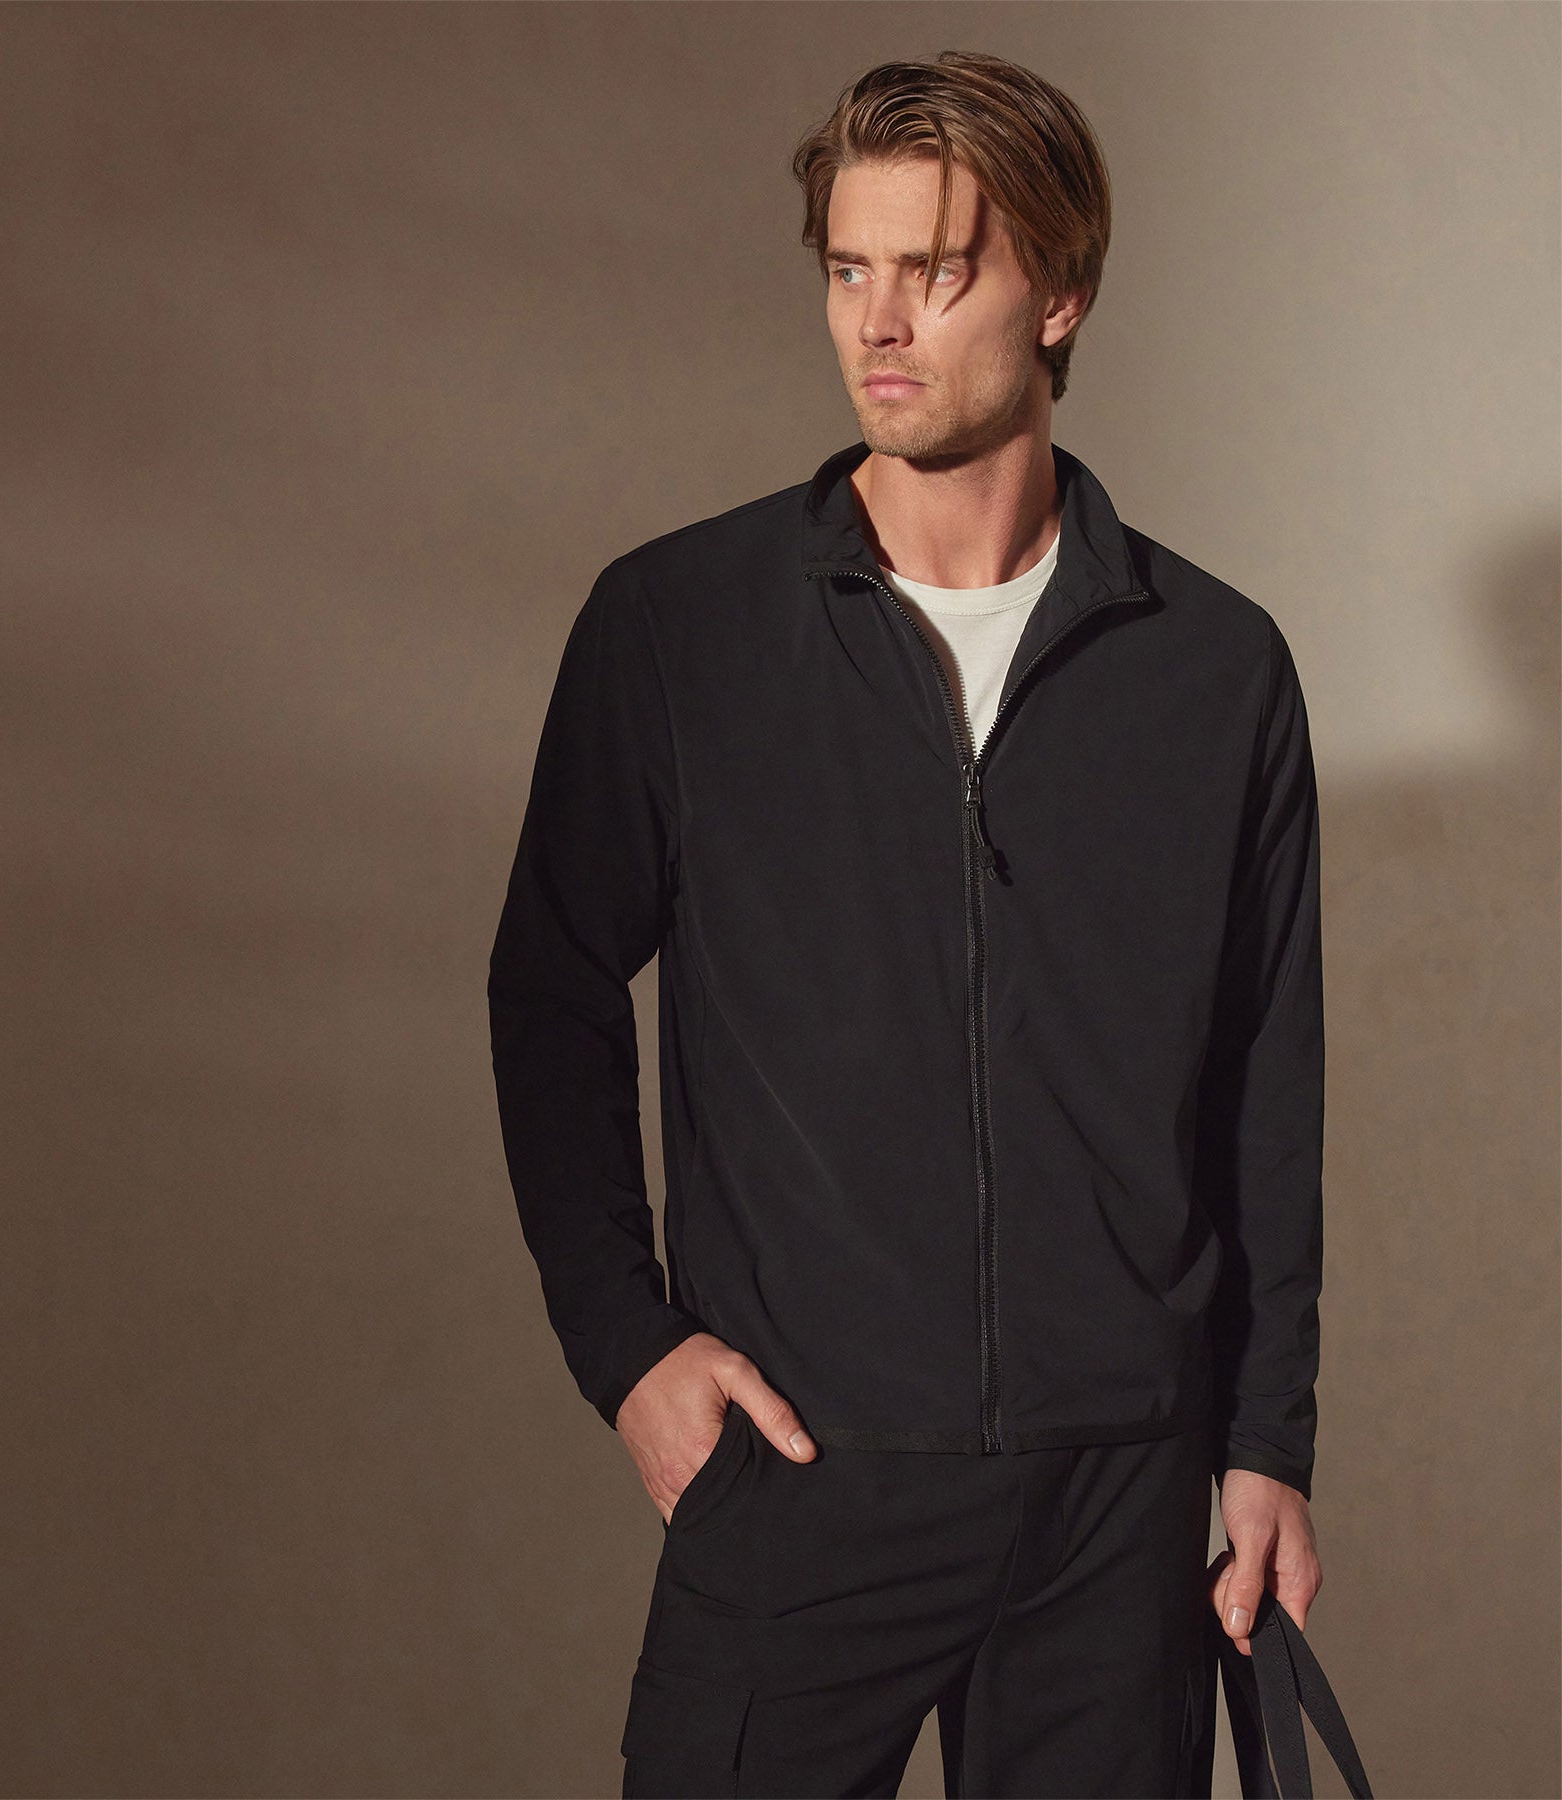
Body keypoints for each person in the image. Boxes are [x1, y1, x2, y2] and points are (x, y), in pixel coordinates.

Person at [487, 49, 1325, 1799]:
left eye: (936, 272)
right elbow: (550, 982)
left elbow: (1266, 1078)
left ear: (1060, 294)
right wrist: (629, 1347)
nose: (879, 322)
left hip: (1118, 1503)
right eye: (849, 269)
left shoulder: (1216, 669)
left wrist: (1265, 1441)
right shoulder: (682, 629)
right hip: (802, 1472)